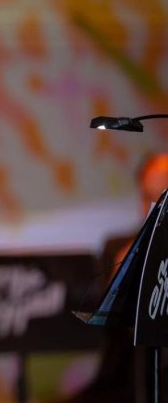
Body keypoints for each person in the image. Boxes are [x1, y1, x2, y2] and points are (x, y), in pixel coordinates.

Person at [67, 152, 168, 403]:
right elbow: (109, 331)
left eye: (162, 196)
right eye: (147, 197)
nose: (153, 207)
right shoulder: (118, 248)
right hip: (126, 381)